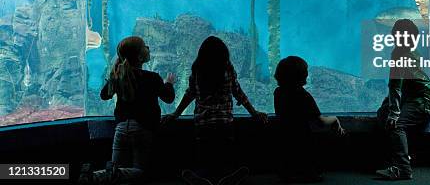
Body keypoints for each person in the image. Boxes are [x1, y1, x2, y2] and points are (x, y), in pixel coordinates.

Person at [162, 36, 268, 185]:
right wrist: (254, 113)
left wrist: (176, 114)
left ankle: (203, 178)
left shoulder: (197, 71)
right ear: (224, 55)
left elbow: (189, 94)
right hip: (225, 123)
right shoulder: (227, 69)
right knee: (225, 155)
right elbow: (238, 92)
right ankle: (226, 177)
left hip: (202, 123)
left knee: (204, 157)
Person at [79, 36, 176, 184]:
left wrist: (113, 76)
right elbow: (168, 98)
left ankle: (94, 175)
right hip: (142, 130)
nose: (148, 47)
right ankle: (98, 176)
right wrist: (168, 83)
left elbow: (104, 95)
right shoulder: (152, 78)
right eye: (145, 46)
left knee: (116, 172)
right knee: (140, 172)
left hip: (121, 128)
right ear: (139, 56)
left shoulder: (119, 76)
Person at [376, 19, 430, 181]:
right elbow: (401, 85)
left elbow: (396, 85)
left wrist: (394, 113)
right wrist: (389, 107)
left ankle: (403, 168)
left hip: (422, 101)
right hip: (415, 98)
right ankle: (398, 157)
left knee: (397, 125)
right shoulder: (407, 52)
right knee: (383, 113)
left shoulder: (400, 54)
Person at [273, 56, 345, 183]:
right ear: (302, 76)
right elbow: (321, 121)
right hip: (302, 142)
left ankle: (289, 172)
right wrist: (335, 119)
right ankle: (308, 172)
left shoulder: (278, 92)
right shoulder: (303, 96)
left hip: (283, 140)